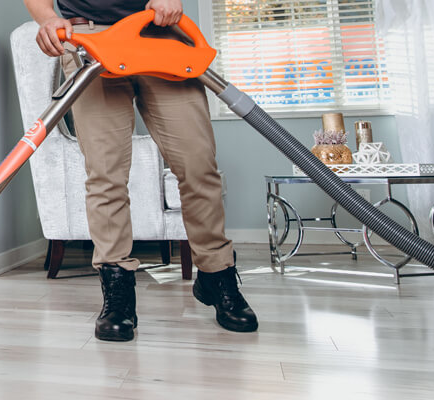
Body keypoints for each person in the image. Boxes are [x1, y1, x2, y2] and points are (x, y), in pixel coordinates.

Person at [22, 0, 258, 338]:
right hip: (91, 39)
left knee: (198, 165)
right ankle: (117, 289)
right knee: (105, 174)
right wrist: (47, 19)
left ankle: (217, 275)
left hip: (160, 33)